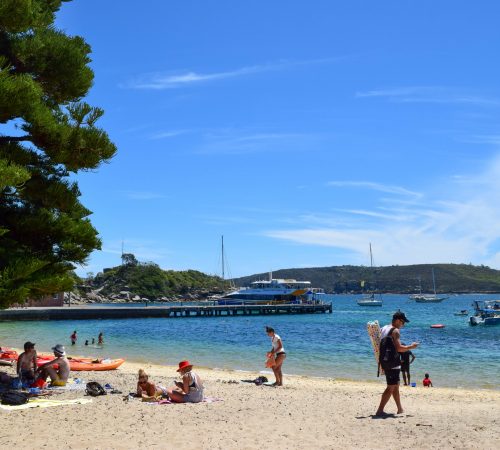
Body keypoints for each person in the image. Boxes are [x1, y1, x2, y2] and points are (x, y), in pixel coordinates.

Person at [375, 311, 419, 417]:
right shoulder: (395, 331)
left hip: (385, 360)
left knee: (395, 386)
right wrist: (411, 347)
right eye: (403, 322)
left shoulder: (384, 328)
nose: (403, 325)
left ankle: (400, 408)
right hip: (392, 362)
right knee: (391, 387)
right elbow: (399, 348)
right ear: (398, 320)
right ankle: (380, 410)